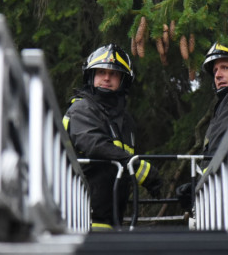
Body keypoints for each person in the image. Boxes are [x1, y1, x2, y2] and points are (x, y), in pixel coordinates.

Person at [64, 43, 163, 230]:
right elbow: (94, 144)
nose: (107, 78)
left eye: (114, 74)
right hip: (78, 219)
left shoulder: (126, 121)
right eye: (101, 72)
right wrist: (139, 167)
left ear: (123, 80)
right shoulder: (81, 109)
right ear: (91, 76)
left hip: (111, 219)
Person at [177, 40, 228, 210]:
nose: (218, 75)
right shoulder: (226, 102)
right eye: (215, 71)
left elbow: (221, 149)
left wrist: (197, 188)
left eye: (225, 68)